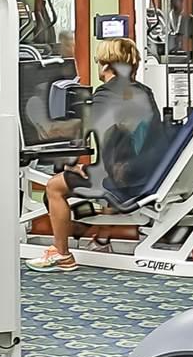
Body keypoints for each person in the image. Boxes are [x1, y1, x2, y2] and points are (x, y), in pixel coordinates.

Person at [37, 39, 167, 269]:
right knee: (91, 176)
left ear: (107, 66)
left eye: (98, 61)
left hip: (127, 179)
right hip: (147, 172)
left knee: (54, 187)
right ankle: (98, 238)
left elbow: (88, 131)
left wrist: (76, 164)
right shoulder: (144, 92)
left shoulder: (107, 93)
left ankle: (62, 253)